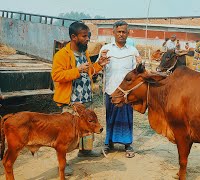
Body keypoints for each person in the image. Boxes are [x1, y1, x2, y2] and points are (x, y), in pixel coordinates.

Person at [51, 21, 110, 175]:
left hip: (86, 99)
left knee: (88, 127)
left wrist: (99, 65)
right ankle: (63, 164)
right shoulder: (61, 55)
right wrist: (76, 70)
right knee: (67, 136)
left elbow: (89, 71)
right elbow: (56, 76)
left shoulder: (84, 53)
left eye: (88, 36)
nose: (87, 39)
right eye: (84, 36)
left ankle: (85, 151)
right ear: (73, 37)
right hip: (71, 102)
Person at [98, 20, 141, 158]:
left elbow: (138, 72)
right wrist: (101, 62)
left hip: (127, 93)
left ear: (128, 33)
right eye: (119, 32)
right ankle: (108, 143)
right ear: (114, 32)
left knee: (127, 117)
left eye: (124, 32)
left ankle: (128, 144)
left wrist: (141, 64)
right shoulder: (106, 49)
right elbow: (98, 67)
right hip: (110, 89)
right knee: (110, 117)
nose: (121, 34)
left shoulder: (133, 51)